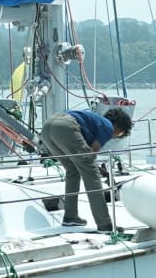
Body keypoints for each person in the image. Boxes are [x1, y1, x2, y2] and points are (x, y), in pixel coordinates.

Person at [44, 97, 132, 230]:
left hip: (48, 128)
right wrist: (101, 171)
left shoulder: (94, 120)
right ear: (119, 128)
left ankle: (70, 217)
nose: (116, 137)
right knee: (92, 174)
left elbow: (84, 156)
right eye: (120, 134)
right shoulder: (107, 126)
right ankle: (105, 224)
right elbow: (91, 156)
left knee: (73, 171)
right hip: (66, 127)